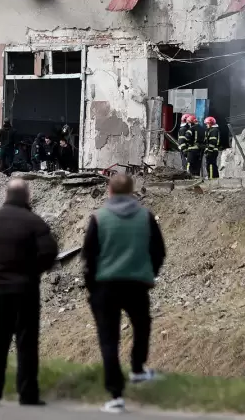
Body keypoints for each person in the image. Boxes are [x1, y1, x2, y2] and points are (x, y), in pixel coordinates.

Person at [0, 178, 58, 407]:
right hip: (26, 290)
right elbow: (50, 252)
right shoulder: (34, 223)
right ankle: (28, 394)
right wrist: (33, 271)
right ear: (27, 197)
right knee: (27, 343)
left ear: (6, 195)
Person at [82, 173, 166, 414]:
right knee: (142, 326)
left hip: (105, 286)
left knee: (109, 340)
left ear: (109, 191)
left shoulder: (99, 218)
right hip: (137, 284)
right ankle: (138, 368)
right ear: (132, 191)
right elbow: (158, 251)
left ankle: (116, 395)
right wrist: (150, 273)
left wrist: (93, 287)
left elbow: (89, 256)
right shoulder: (146, 217)